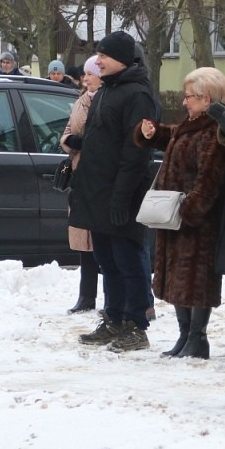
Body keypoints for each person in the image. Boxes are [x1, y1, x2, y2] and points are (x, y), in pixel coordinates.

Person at [69, 32, 160, 352]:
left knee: (128, 259)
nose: (98, 60)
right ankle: (115, 318)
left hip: (122, 194)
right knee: (107, 260)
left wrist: (122, 196)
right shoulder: (108, 89)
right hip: (97, 192)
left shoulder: (137, 94)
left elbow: (135, 152)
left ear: (122, 58)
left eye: (104, 55)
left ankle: (136, 324)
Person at [135, 67, 225, 359]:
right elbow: (175, 136)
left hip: (195, 221)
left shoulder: (214, 131)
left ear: (207, 99)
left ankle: (197, 338)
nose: (184, 101)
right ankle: (184, 335)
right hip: (178, 218)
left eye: (188, 96)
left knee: (196, 281)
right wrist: (153, 133)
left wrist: (191, 210)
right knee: (178, 278)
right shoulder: (193, 125)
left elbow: (209, 178)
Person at [60, 55, 104, 314]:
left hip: (97, 175)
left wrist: (84, 142)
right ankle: (86, 296)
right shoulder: (81, 100)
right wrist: (70, 141)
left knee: (102, 243)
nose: (86, 78)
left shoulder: (105, 99)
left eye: (91, 73)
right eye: (85, 74)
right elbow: (67, 129)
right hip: (80, 175)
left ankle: (111, 299)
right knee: (83, 242)